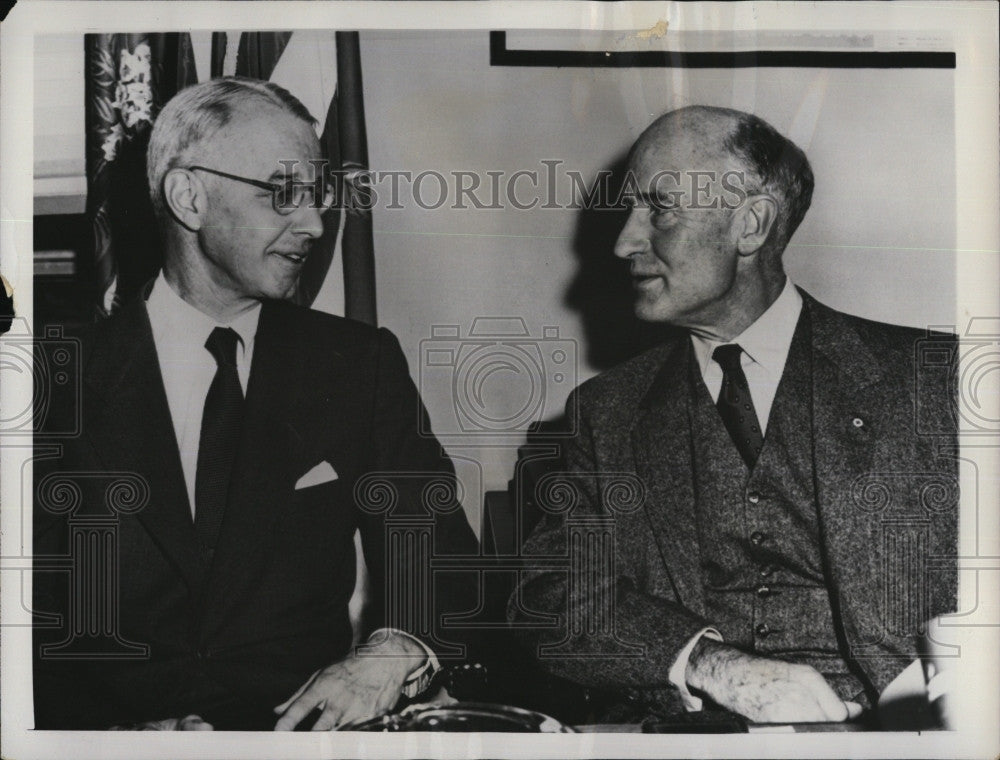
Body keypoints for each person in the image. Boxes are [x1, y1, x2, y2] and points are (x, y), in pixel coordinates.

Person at [32, 77, 478, 731]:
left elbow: (444, 558)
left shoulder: (356, 365)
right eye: (283, 194)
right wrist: (107, 738)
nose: (316, 223)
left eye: (316, 195)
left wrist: (396, 647)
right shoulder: (50, 379)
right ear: (189, 197)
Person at [511, 106, 958, 725]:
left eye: (659, 209)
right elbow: (552, 599)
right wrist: (705, 663)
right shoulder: (607, 411)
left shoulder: (932, 380)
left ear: (750, 226)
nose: (624, 241)